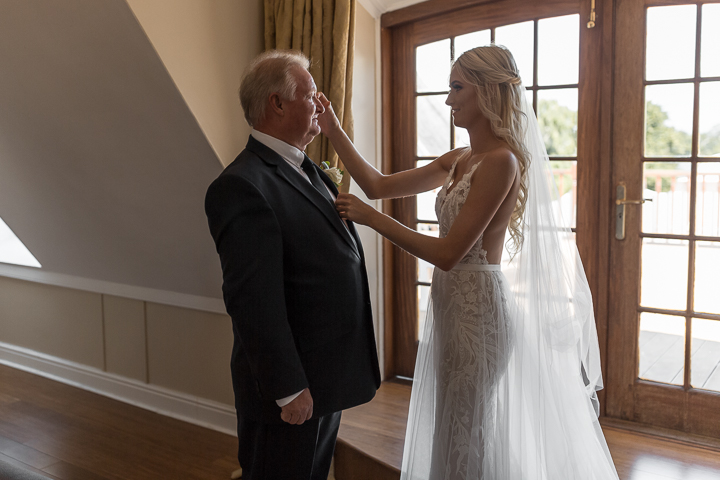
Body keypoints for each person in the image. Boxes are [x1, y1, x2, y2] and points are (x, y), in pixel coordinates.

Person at [316, 45, 619, 478]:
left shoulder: (501, 163)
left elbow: (448, 254)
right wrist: (332, 127)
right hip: (452, 308)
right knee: (454, 427)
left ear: (488, 91)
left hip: (479, 315)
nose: (448, 100)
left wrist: (370, 219)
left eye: (457, 88)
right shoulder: (460, 158)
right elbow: (378, 185)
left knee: (467, 432)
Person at [205, 50, 380, 480]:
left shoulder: (308, 168)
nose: (321, 103)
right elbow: (252, 299)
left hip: (326, 375)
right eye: (310, 94)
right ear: (277, 104)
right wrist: (288, 389)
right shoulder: (242, 185)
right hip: (291, 389)